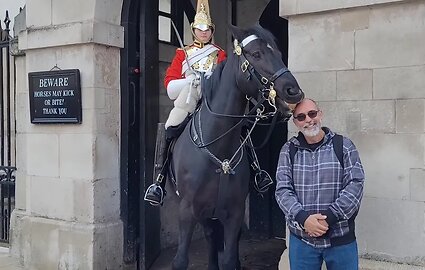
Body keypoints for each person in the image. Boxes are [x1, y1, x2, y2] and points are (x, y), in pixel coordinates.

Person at [144, 0, 272, 206]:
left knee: (241, 127)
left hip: (215, 100)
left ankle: (257, 172)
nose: (204, 32)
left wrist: (209, 79)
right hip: (189, 97)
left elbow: (229, 80)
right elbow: (170, 88)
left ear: (212, 30)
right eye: (199, 29)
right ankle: (158, 182)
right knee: (170, 126)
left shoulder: (220, 54)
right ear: (194, 30)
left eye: (207, 29)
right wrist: (190, 79)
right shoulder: (181, 54)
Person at [275, 98, 365, 270]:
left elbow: (355, 185)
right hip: (302, 242)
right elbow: (282, 190)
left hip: (340, 239)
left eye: (312, 113)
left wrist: (329, 218)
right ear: (295, 123)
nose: (308, 119)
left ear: (320, 114)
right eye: (301, 117)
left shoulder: (343, 146)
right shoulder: (288, 151)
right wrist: (304, 219)